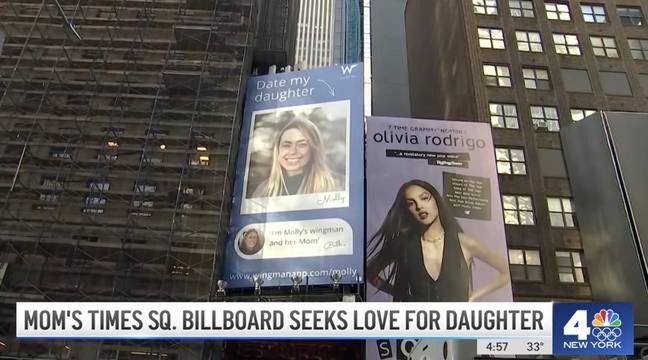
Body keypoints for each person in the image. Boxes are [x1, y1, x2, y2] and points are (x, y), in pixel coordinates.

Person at [367, 179, 510, 302]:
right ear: (407, 210)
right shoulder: (404, 245)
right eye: (411, 203)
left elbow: (507, 271)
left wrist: (473, 297)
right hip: (421, 330)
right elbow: (371, 273)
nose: (419, 206)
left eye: (424, 198)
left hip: (460, 330)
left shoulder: (465, 243)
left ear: (436, 199)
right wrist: (402, 296)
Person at [252, 117, 340, 197]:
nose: (293, 151)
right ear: (278, 150)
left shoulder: (335, 185)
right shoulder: (264, 190)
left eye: (302, 144)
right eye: (286, 145)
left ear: (314, 149)